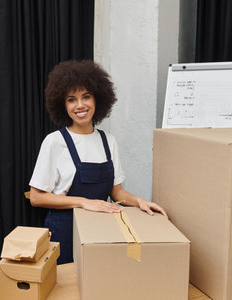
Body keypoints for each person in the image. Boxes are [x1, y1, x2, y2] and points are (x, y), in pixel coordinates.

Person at [29, 60, 167, 265]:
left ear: (98, 99)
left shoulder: (107, 140)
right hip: (65, 231)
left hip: (101, 231)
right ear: (62, 104)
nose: (80, 105)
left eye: (86, 97)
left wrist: (139, 201)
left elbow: (116, 191)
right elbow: (36, 197)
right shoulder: (54, 142)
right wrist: (84, 202)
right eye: (71, 99)